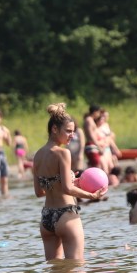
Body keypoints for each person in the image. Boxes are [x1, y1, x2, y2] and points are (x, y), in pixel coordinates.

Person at [32, 103, 107, 261]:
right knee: (77, 272)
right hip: (65, 215)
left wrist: (68, 182)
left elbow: (39, 192)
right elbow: (67, 188)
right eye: (68, 131)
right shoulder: (63, 153)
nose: (72, 135)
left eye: (73, 131)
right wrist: (91, 195)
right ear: (54, 129)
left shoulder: (38, 155)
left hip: (46, 218)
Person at [96, 109, 122, 173]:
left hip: (108, 148)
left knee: (112, 166)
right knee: (106, 167)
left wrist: (114, 149)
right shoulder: (96, 128)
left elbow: (111, 138)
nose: (106, 118)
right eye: (104, 116)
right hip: (103, 148)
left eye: (107, 116)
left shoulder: (106, 125)